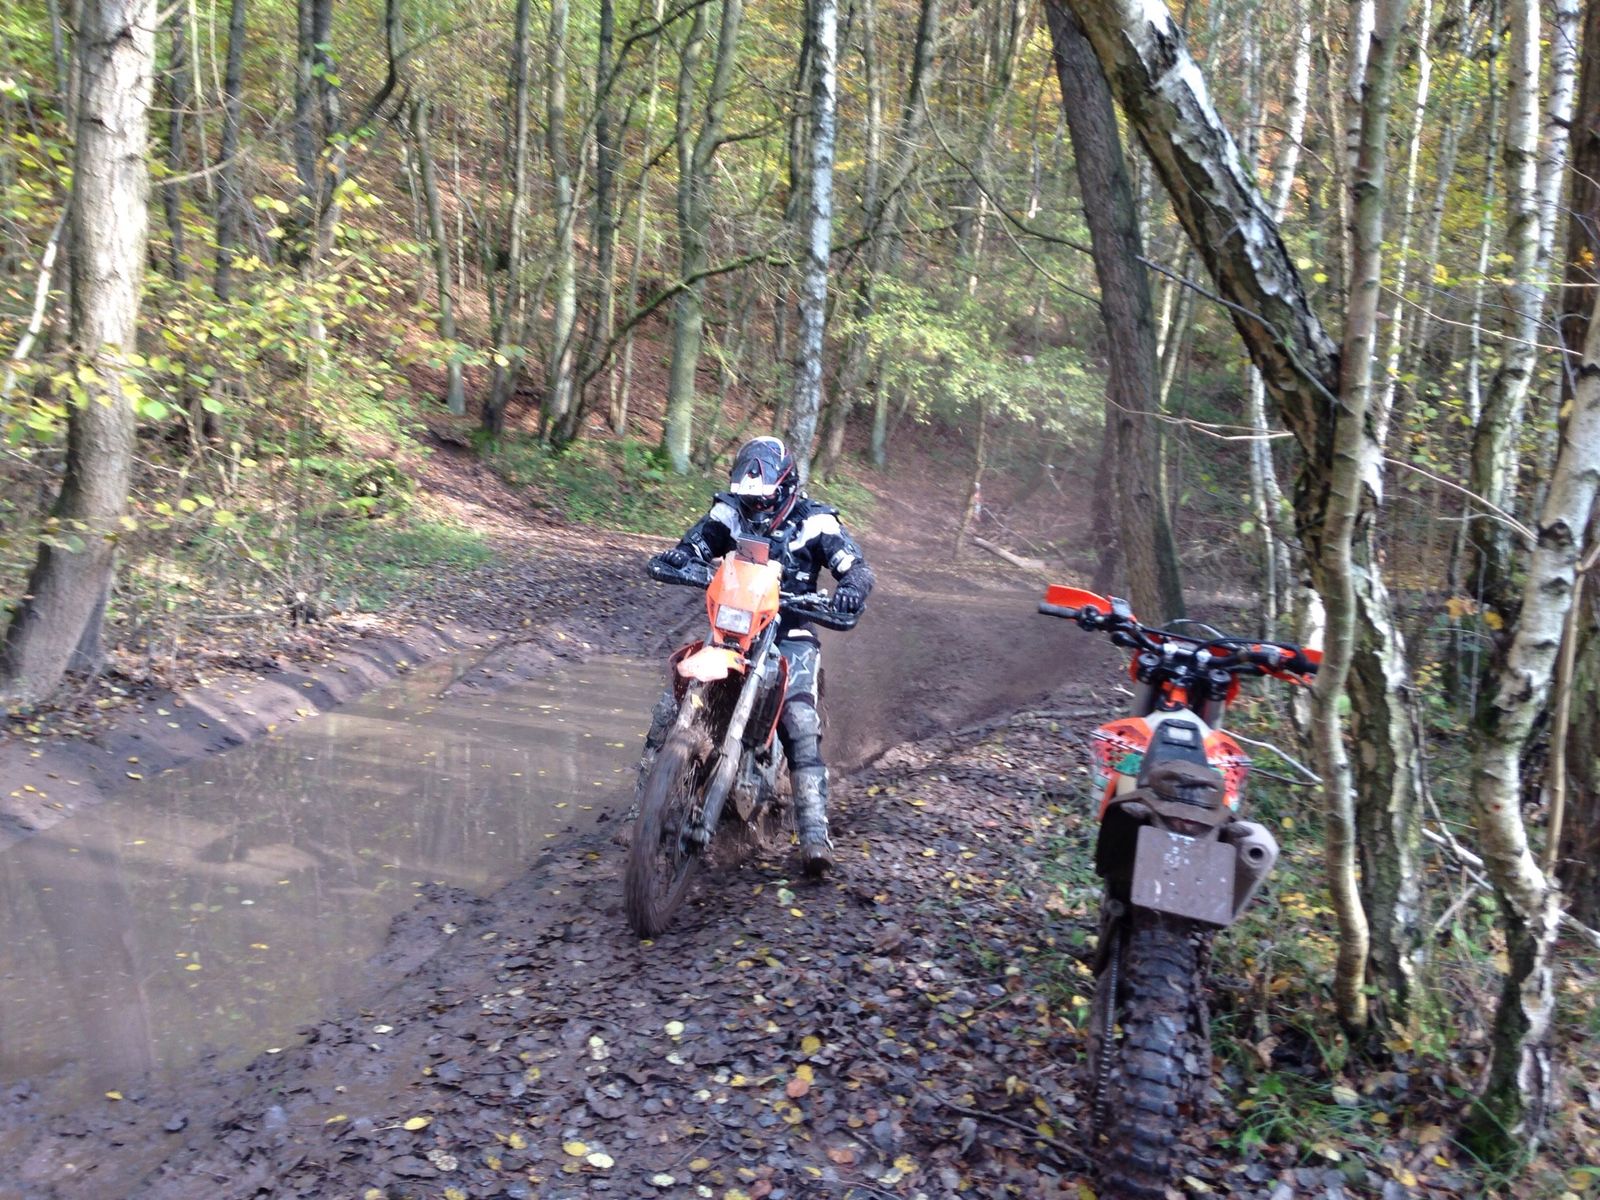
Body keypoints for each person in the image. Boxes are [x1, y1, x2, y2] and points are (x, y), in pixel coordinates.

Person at [633, 436, 874, 875]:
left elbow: (854, 566)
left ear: (786, 489)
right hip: (734, 627)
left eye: (763, 499)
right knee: (673, 703)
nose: (755, 507)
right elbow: (697, 544)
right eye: (749, 499)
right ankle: (639, 812)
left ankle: (814, 835)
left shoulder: (816, 521)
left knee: (799, 720)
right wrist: (681, 556)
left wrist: (851, 589)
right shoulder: (729, 511)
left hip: (792, 628)